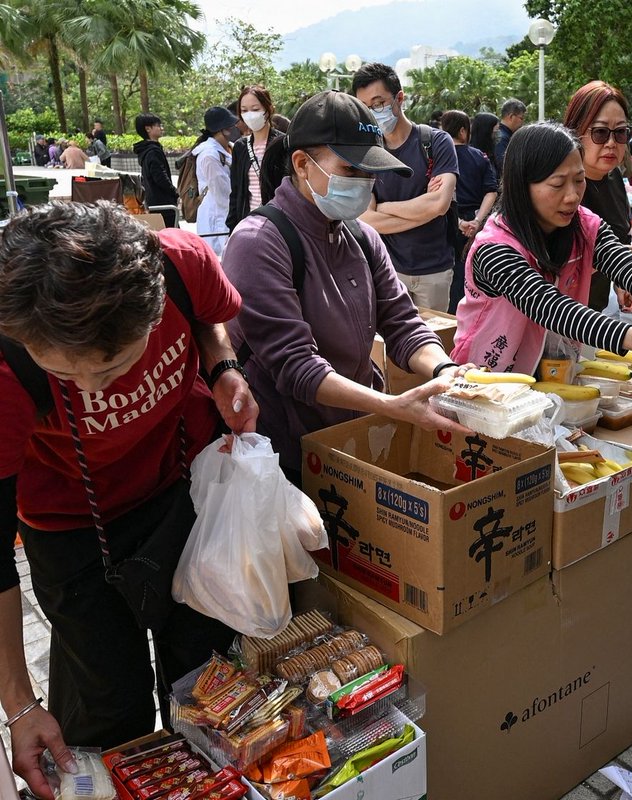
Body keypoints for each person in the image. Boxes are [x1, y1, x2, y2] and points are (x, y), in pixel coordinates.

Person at [0, 201, 257, 797]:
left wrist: (223, 369)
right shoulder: (7, 368)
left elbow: (212, 324)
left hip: (179, 490)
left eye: (114, 366)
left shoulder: (182, 264)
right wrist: (18, 705)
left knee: (206, 678)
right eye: (64, 375)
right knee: (106, 704)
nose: (92, 390)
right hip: (70, 528)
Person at [222, 90, 465, 478]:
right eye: (352, 170)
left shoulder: (362, 237)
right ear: (302, 164)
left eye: (371, 173)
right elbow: (296, 365)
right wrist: (391, 405)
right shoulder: (259, 241)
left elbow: (403, 323)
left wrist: (445, 371)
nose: (365, 183)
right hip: (288, 449)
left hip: (355, 434)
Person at [452, 122, 632, 394]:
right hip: (487, 384)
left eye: (579, 180)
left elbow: (628, 269)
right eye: (557, 184)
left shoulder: (583, 226)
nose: (572, 196)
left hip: (554, 375)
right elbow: (550, 308)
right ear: (522, 185)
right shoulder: (495, 248)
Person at [352, 62, 460, 313]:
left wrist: (386, 207)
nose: (373, 112)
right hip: (388, 269)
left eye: (378, 103)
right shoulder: (369, 153)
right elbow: (367, 219)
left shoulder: (435, 142)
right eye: (365, 108)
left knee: (435, 344)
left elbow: (439, 204)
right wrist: (424, 210)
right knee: (394, 348)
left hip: (434, 269)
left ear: (399, 98)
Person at [563, 81, 632, 312]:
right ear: (575, 131)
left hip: (594, 315)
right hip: (554, 318)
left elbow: (620, 241)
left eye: (620, 133)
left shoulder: (615, 178)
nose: (611, 143)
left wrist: (622, 282)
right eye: (599, 132)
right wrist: (613, 261)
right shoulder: (555, 187)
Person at [441, 109, 498, 313]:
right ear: (464, 131)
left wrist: (457, 222)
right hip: (476, 222)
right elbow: (491, 191)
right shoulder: (479, 156)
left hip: (445, 220)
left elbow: (434, 194)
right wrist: (477, 220)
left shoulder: (437, 156)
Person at [227, 85, 285, 234]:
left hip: (278, 223)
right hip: (247, 222)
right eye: (244, 110)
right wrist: (232, 227)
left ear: (268, 109)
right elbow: (236, 191)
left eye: (255, 109)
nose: (250, 115)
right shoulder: (240, 147)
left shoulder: (282, 143)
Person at [192, 106, 240, 258]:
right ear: (223, 129)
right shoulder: (209, 155)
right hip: (218, 220)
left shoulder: (228, 148)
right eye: (231, 125)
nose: (235, 128)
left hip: (225, 217)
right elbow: (222, 193)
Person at [133, 113, 179, 227]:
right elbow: (160, 177)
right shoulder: (153, 151)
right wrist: (175, 193)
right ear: (148, 128)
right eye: (158, 125)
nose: (161, 128)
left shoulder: (146, 151)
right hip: (164, 204)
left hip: (154, 203)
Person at [495, 98, 526, 173]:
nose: (523, 122)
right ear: (511, 117)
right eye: (521, 118)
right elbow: (504, 165)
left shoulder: (504, 134)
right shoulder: (501, 137)